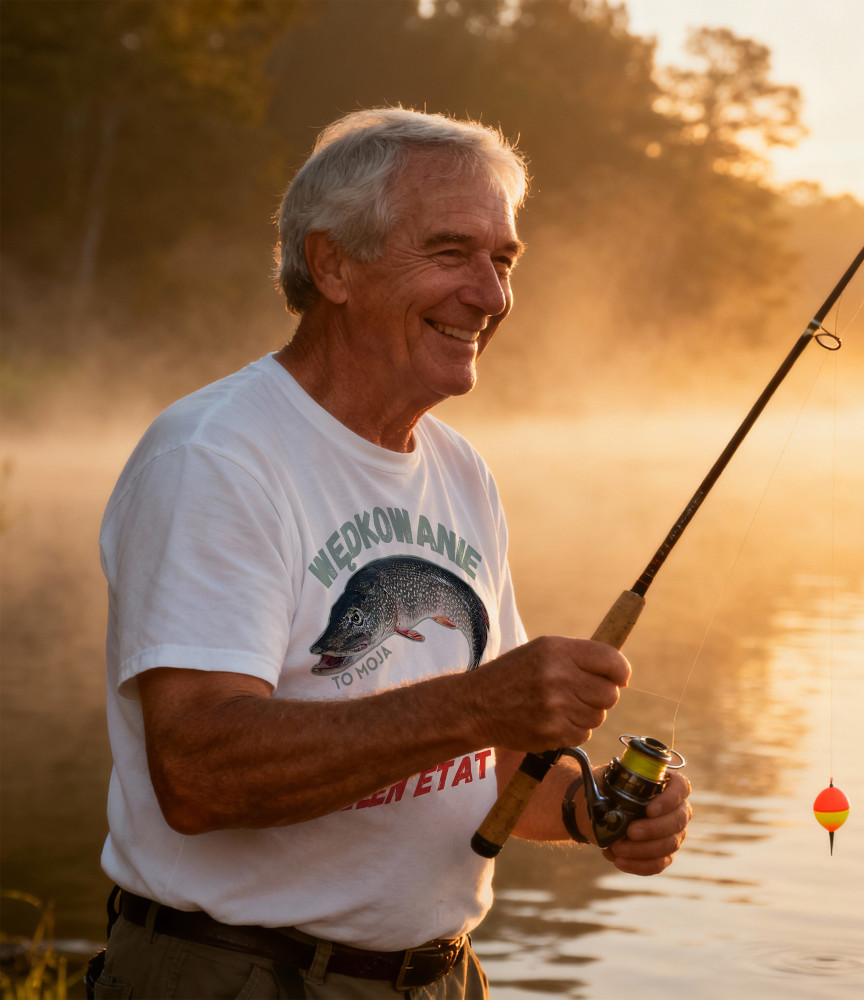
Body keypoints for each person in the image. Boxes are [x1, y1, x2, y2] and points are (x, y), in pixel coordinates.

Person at [93, 108, 692, 1000]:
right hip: (240, 976)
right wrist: (481, 701)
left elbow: (486, 751)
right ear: (333, 264)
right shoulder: (215, 457)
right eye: (452, 253)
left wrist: (590, 807)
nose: (490, 296)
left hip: (439, 978)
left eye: (503, 261)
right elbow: (201, 776)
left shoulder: (459, 471)